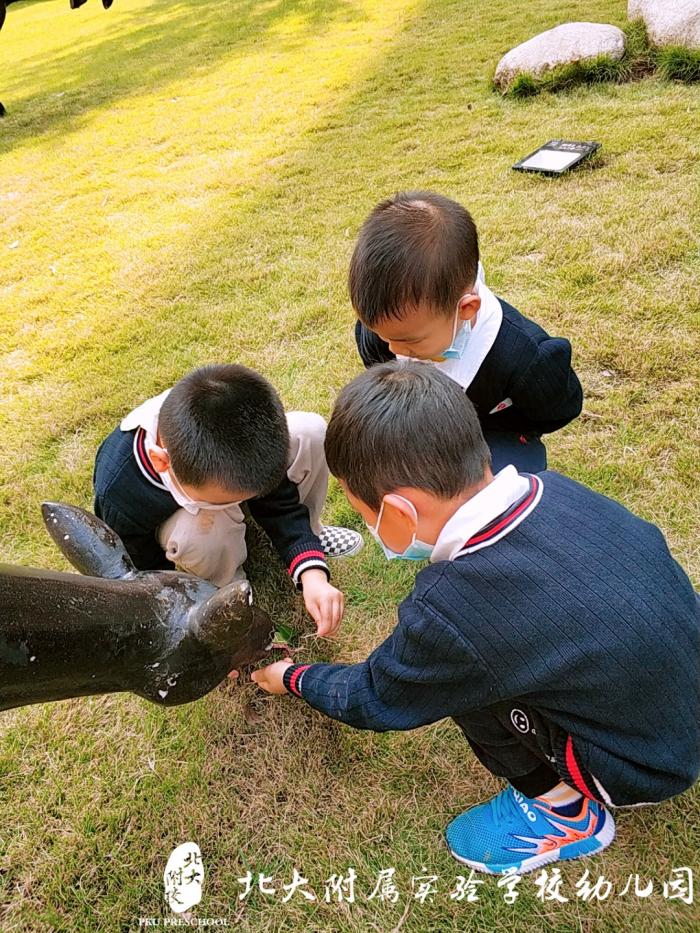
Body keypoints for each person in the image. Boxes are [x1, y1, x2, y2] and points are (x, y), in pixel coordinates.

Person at [251, 362, 699, 874]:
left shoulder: (450, 610)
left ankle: (566, 813)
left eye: (365, 515)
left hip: (641, 765)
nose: (369, 527)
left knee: (463, 680)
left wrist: (290, 677)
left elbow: (376, 695)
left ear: (399, 512)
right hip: (680, 682)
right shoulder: (556, 489)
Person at [93, 364, 363, 636]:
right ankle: (228, 588)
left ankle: (312, 535)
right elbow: (141, 572)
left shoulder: (231, 423)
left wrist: (311, 572)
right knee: (200, 530)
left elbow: (277, 500)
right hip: (187, 530)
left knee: (310, 431)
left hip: (223, 478)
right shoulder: (120, 491)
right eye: (226, 502)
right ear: (161, 462)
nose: (240, 508)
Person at [350, 190, 583, 472]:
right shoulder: (389, 329)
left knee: (498, 479)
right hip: (418, 423)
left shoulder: (525, 359)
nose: (393, 349)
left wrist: (508, 432)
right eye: (383, 336)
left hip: (490, 435)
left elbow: (559, 409)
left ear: (467, 309)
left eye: (410, 341)